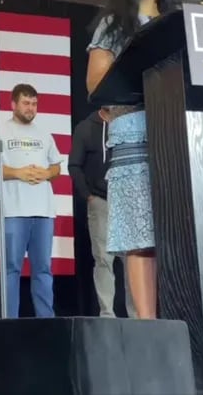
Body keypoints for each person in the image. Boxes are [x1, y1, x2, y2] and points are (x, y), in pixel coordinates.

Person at [85, 0, 179, 319]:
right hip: (135, 133)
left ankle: (180, 314)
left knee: (173, 232)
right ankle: (148, 324)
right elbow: (96, 84)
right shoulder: (114, 24)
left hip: (174, 133)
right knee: (142, 237)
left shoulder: (176, 23)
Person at [0, 84, 63, 318]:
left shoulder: (43, 133)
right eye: (26, 103)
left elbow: (56, 166)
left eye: (34, 104)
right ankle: (9, 322)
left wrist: (47, 174)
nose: (31, 108)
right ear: (13, 105)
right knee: (11, 268)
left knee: (43, 269)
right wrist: (18, 173)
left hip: (44, 211)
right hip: (14, 210)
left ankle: (47, 321)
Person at [68, 108, 136, 318]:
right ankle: (107, 314)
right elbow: (74, 165)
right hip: (100, 201)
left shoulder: (129, 124)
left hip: (128, 200)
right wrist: (88, 195)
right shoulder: (86, 128)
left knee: (132, 259)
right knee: (103, 259)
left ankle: (137, 315)